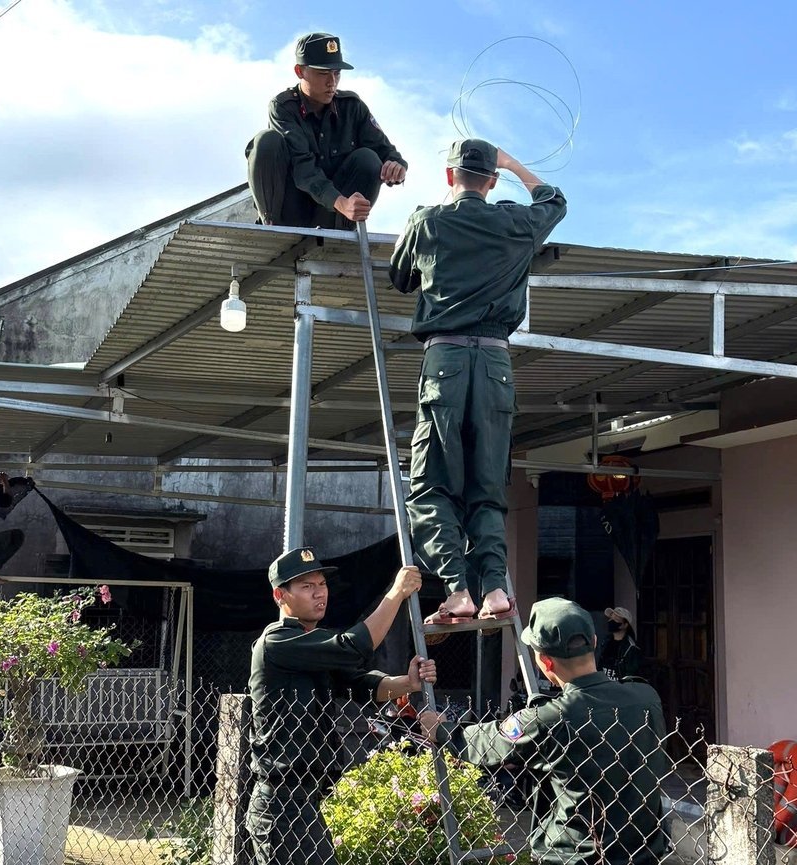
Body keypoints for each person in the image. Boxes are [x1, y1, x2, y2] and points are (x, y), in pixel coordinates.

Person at [389, 139, 566, 629]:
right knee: (487, 485)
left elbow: (401, 277)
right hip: (495, 364)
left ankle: (457, 589)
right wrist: (513, 162)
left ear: (450, 178)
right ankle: (494, 587)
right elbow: (554, 201)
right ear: (492, 182)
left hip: (445, 357)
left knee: (431, 485)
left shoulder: (428, 221)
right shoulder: (514, 222)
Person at [420, 598, 669, 865]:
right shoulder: (646, 697)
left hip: (575, 855)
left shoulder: (551, 717)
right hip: (643, 855)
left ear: (545, 662)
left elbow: (487, 742)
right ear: (594, 642)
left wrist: (441, 729)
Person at [248, 547, 437, 865]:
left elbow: (363, 684)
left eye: (321, 584)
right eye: (307, 586)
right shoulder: (278, 643)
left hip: (304, 796)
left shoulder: (310, 643)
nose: (319, 593)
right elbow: (354, 648)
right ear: (280, 595)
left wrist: (409, 682)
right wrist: (396, 593)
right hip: (281, 799)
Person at [245, 32, 407, 229]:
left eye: (337, 73)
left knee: (369, 159)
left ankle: (342, 235)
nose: (332, 82)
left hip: (333, 218)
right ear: (300, 71)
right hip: (291, 213)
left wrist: (397, 167)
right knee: (266, 141)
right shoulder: (283, 107)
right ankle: (270, 226)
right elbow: (303, 167)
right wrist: (342, 203)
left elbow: (386, 151)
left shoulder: (352, 107)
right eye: (323, 73)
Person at [601, 605, 644, 680]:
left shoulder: (631, 648)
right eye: (611, 618)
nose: (611, 621)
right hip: (604, 687)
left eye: (616, 619)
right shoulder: (605, 642)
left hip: (620, 689)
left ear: (625, 625)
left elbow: (631, 676)